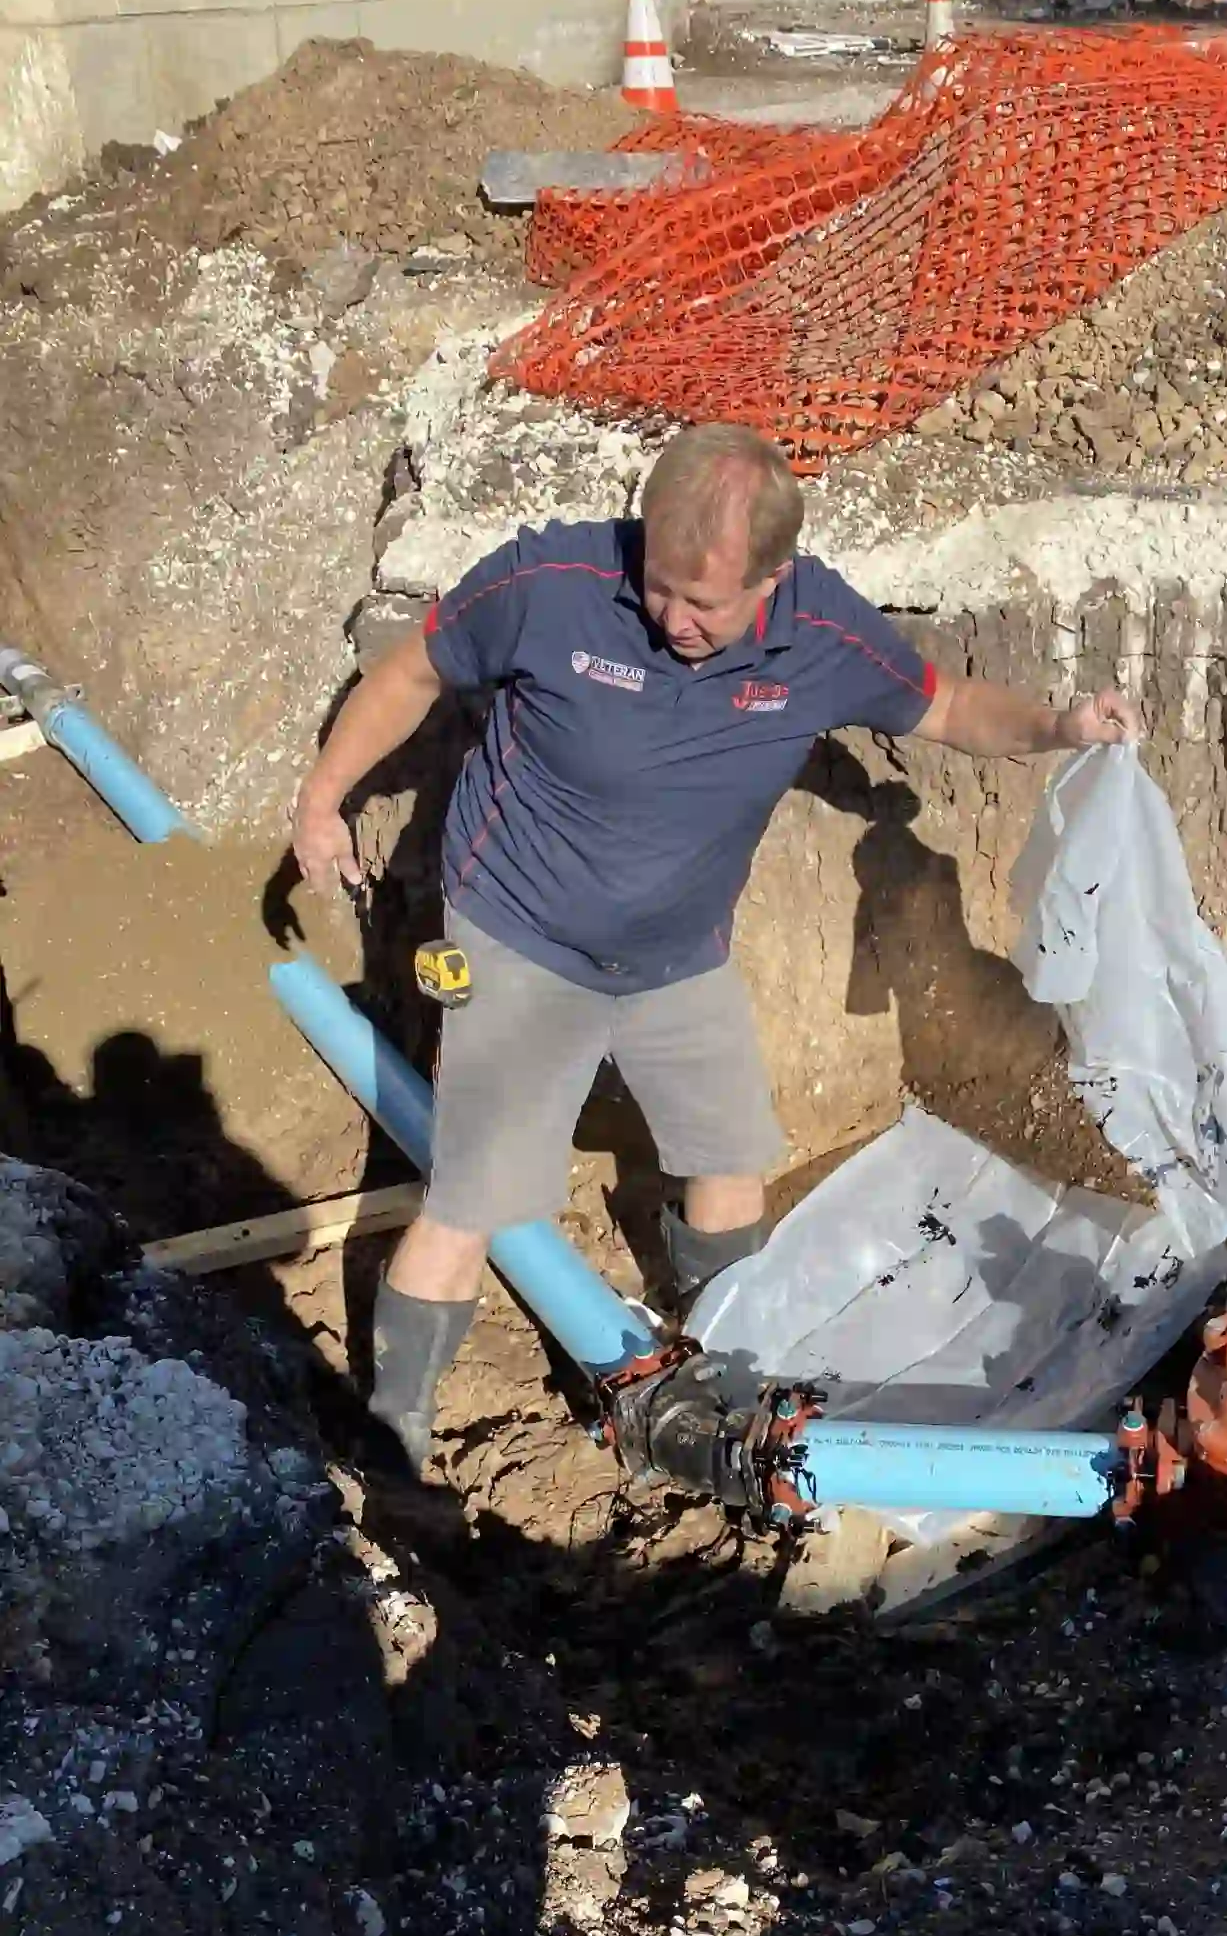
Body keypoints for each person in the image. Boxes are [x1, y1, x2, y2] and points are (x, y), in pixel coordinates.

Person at [291, 422, 1143, 1473]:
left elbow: (953, 705)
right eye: (658, 588)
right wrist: (324, 800)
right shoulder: (550, 582)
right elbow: (412, 672)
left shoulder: (820, 632)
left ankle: (718, 1383)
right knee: (475, 1201)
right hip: (520, 937)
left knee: (732, 1165)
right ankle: (397, 1436)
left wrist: (1063, 725)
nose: (674, 621)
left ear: (775, 578)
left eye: (707, 603)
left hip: (678, 955)